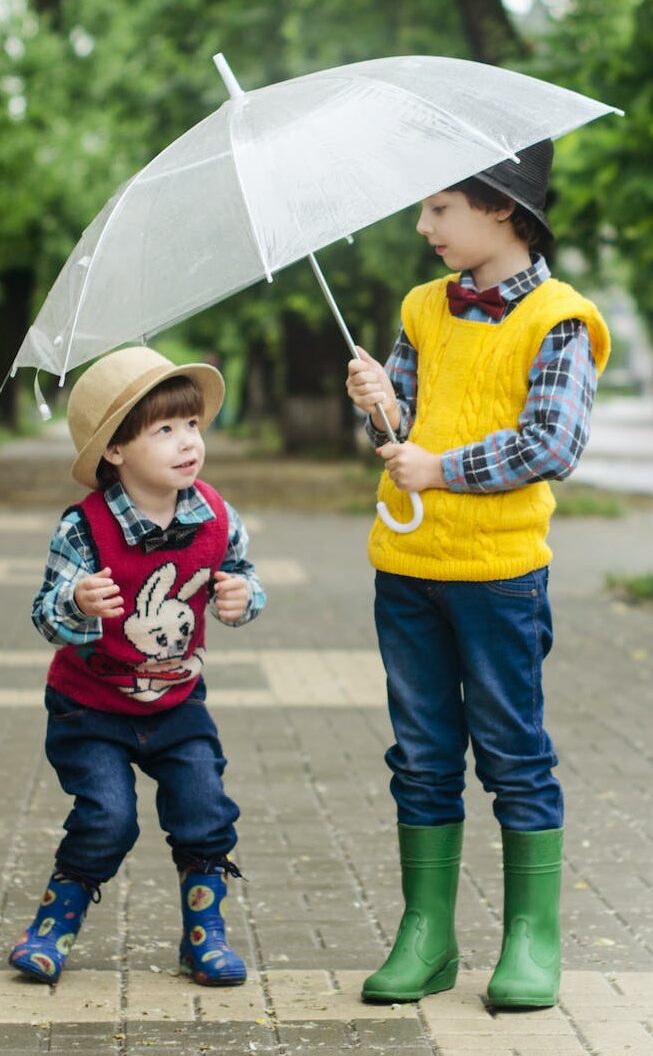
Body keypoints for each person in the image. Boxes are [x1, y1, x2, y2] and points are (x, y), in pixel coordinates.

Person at [345, 140, 610, 1008]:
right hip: (407, 567)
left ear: (499, 207)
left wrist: (441, 467)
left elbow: (552, 445)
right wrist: (379, 403)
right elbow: (403, 437)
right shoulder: (424, 306)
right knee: (420, 757)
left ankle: (531, 937)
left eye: (438, 209)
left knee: (511, 753)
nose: (422, 227)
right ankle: (426, 937)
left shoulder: (561, 320)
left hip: (497, 577)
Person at [8, 346, 265, 987]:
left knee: (205, 810)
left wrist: (241, 598)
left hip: (178, 705)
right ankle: (52, 927)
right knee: (107, 817)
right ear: (116, 451)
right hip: (89, 707)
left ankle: (204, 936)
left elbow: (242, 579)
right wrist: (78, 601)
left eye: (193, 426)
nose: (188, 443)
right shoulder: (84, 529)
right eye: (165, 430)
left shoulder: (215, 515)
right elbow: (45, 616)